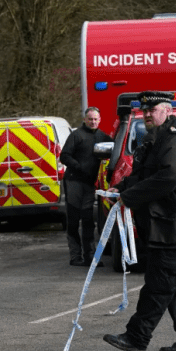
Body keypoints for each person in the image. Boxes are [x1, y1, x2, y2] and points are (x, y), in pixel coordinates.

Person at [102, 91, 176, 351]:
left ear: (167, 110)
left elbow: (170, 177)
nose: (148, 115)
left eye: (153, 110)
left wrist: (130, 197)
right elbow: (146, 173)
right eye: (145, 112)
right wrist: (120, 188)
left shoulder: (175, 137)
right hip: (172, 223)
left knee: (160, 282)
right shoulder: (158, 138)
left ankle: (136, 337)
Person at [60, 107, 113, 266]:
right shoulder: (76, 135)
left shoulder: (103, 137)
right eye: (90, 119)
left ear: (100, 119)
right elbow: (64, 156)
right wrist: (79, 166)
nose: (93, 122)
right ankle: (76, 257)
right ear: (84, 119)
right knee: (74, 221)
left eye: (96, 119)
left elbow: (116, 149)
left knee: (89, 221)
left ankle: (90, 257)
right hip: (74, 182)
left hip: (90, 184)